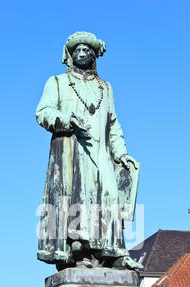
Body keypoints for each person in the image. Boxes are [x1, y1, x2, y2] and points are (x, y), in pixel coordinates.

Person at [36, 31, 143, 271]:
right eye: (78, 51)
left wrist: (122, 154)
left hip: (101, 153)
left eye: (87, 50)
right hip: (71, 150)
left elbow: (113, 124)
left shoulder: (106, 88)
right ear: (71, 56)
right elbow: (42, 112)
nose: (82, 54)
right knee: (76, 200)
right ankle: (79, 251)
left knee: (112, 197)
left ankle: (114, 253)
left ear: (94, 55)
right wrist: (66, 119)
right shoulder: (57, 83)